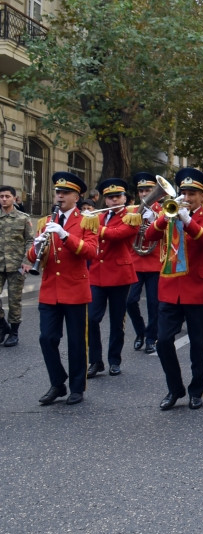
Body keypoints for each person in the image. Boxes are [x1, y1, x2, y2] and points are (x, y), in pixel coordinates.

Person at [145, 167, 203, 410]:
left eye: (192, 194)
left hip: (197, 289)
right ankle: (174, 388)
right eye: (184, 193)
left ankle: (196, 390)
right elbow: (149, 236)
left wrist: (188, 221)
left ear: (202, 197)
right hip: (170, 288)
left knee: (198, 344)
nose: (187, 198)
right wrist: (166, 216)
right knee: (164, 341)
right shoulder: (169, 213)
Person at [29, 172, 99, 405]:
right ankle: (58, 383)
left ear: (76, 197)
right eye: (58, 193)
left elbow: (90, 252)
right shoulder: (45, 221)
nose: (60, 196)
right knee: (47, 338)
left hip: (75, 290)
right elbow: (33, 257)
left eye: (65, 193)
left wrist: (65, 235)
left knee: (77, 342)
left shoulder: (87, 220)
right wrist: (36, 245)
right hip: (50, 290)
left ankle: (77, 387)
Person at [87, 178, 139, 377]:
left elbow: (116, 235)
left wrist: (90, 225)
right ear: (105, 201)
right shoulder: (97, 218)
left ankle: (114, 360)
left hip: (119, 275)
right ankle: (95, 361)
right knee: (92, 319)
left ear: (125, 198)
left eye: (118, 196)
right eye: (110, 198)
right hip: (97, 274)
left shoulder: (131, 217)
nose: (114, 200)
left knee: (117, 321)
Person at [126, 173, 162, 355]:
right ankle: (140, 331)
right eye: (141, 191)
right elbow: (125, 235)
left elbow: (168, 236)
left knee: (154, 305)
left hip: (155, 263)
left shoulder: (163, 212)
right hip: (135, 262)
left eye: (148, 190)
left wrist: (155, 221)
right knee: (130, 301)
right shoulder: (132, 212)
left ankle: (151, 338)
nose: (144, 193)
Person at [0, 185, 32, 347]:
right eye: (1, 196)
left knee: (14, 301)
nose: (4, 199)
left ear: (14, 198)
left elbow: (30, 241)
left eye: (7, 196)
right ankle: (2, 325)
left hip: (16, 265)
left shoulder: (23, 218)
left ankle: (14, 332)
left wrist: (27, 261)